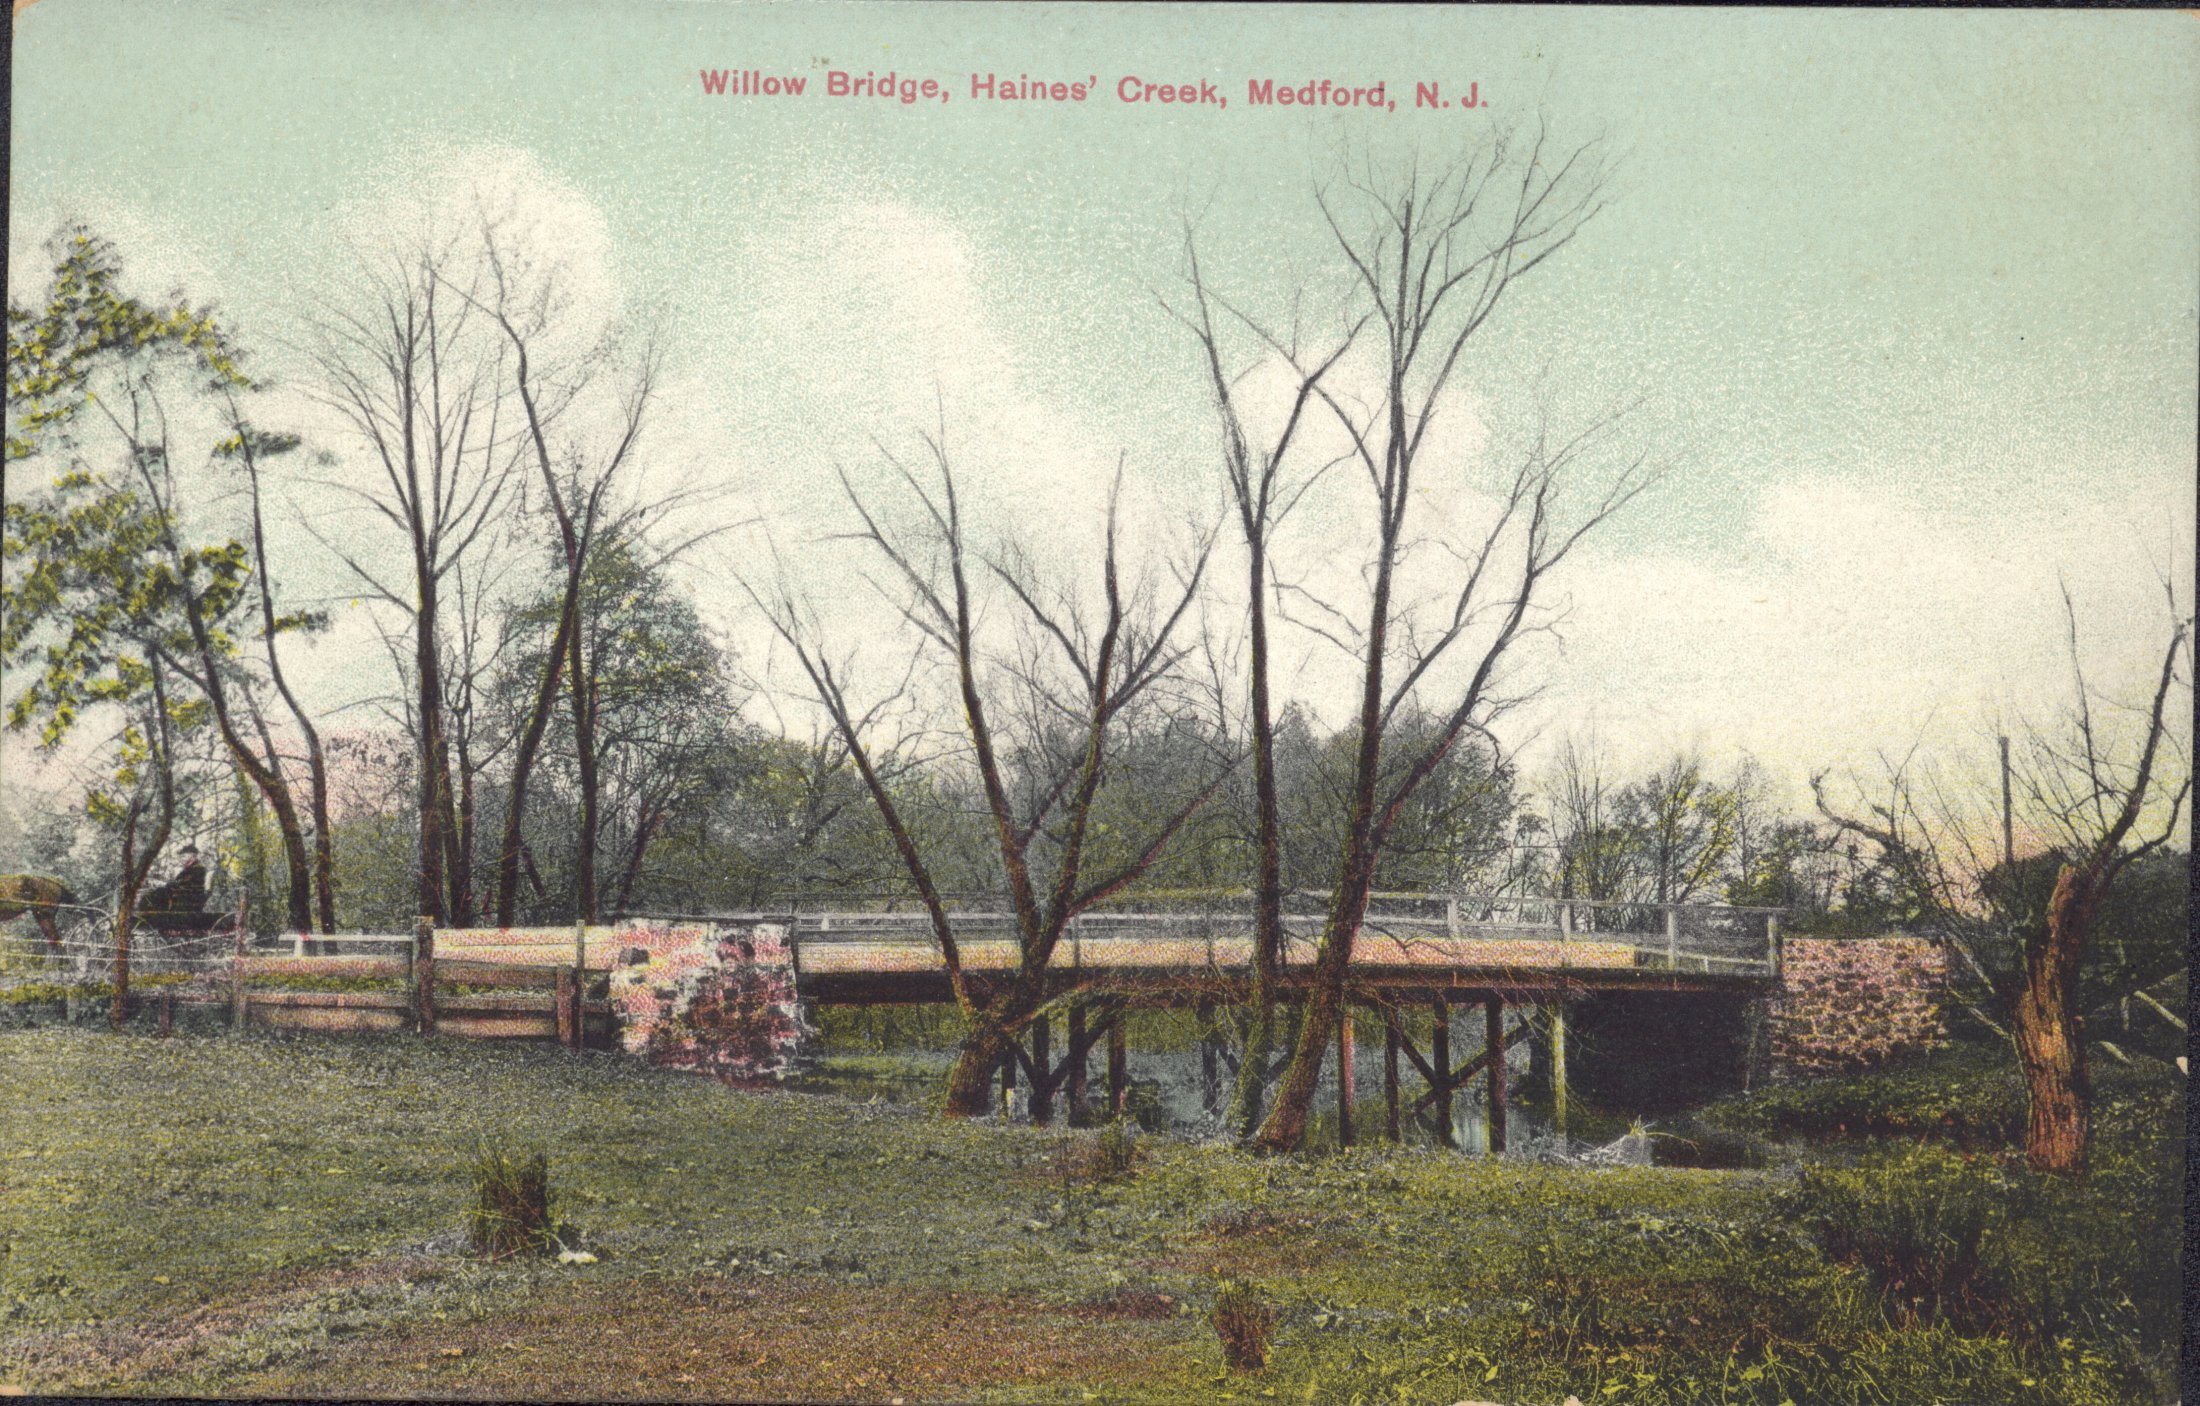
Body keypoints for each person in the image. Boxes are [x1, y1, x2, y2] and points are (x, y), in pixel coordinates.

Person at [140, 843, 209, 926]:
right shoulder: (188, 869)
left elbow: (183, 883)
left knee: (159, 892)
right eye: (181, 857)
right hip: (183, 896)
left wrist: (164, 884)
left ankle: (153, 918)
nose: (181, 859)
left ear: (193, 856)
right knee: (154, 893)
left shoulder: (198, 869)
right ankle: (151, 917)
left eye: (184, 856)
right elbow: (179, 883)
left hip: (189, 899)